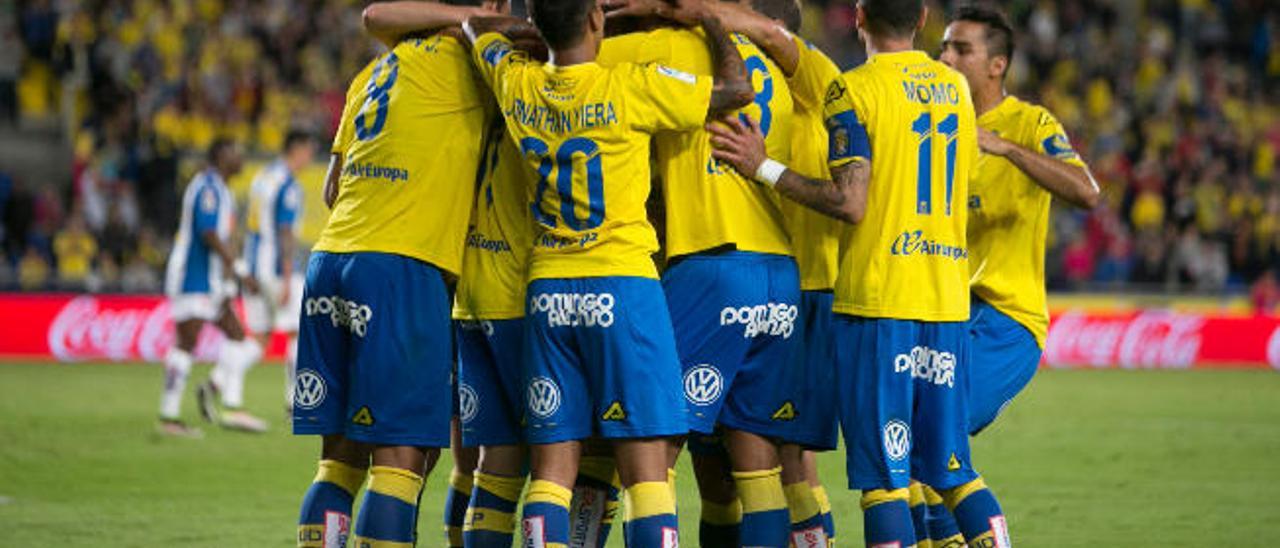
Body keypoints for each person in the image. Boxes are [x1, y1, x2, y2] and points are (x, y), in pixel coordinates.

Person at [709, 0, 1012, 545]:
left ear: (858, 17)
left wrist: (764, 167)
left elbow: (851, 203)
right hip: (945, 300)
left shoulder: (853, 88)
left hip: (879, 300)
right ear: (923, 19)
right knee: (954, 471)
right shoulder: (957, 91)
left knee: (885, 484)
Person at [459, 0, 753, 543]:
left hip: (548, 290)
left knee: (549, 475)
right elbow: (737, 92)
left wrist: (538, 30)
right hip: (622, 286)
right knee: (647, 476)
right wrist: (711, 19)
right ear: (596, 17)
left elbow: (473, 24)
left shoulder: (517, 84)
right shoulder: (629, 85)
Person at [594, 2, 804, 545]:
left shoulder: (661, 47)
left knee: (649, 451)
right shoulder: (782, 70)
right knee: (757, 466)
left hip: (712, 265)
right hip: (779, 276)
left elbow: (568, 47)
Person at [292, 1, 491, 544]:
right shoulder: (474, 61)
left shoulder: (373, 72)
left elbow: (332, 189)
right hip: (401, 265)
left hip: (331, 260)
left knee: (338, 462)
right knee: (401, 459)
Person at [921, 4, 1098, 545]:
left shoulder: (1031, 123)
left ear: (996, 65)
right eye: (945, 46)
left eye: (960, 48)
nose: (944, 55)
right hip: (942, 312)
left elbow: (1086, 191)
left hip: (1006, 319)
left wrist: (1003, 147)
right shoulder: (933, 124)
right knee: (915, 442)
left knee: (931, 433)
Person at [158, 138, 263, 438]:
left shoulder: (222, 190)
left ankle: (221, 396)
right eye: (236, 152)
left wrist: (229, 281)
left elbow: (223, 238)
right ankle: (169, 417)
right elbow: (209, 235)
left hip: (211, 280)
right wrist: (241, 272)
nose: (241, 158)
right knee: (186, 342)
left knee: (237, 334)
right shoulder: (207, 187)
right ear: (221, 156)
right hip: (192, 277)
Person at [236, 130, 316, 417]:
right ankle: (294, 402)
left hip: (255, 266)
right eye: (309, 150)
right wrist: (285, 276)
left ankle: (219, 381)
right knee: (297, 333)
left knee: (259, 337)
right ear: (297, 148)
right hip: (279, 269)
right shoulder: (289, 185)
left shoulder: (262, 177)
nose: (310, 156)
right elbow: (285, 232)